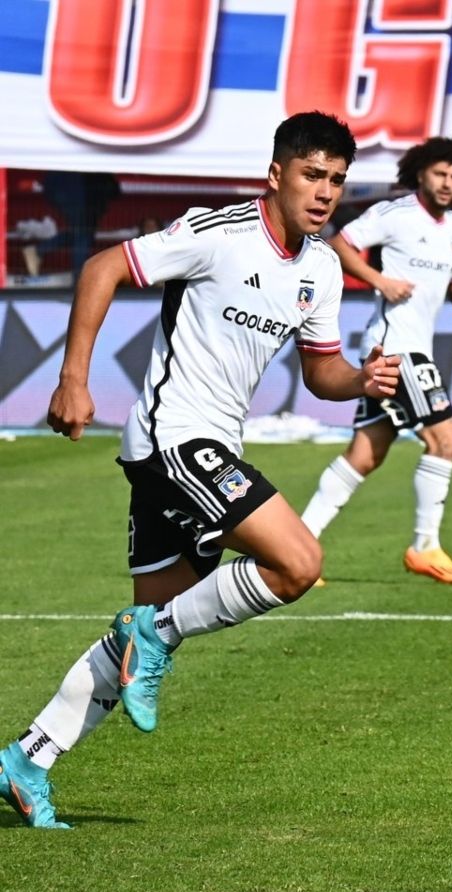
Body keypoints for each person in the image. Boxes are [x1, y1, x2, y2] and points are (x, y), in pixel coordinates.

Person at [1, 113, 399, 828]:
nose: (325, 193)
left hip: (205, 446)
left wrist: (363, 381)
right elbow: (104, 267)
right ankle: (154, 638)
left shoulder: (321, 268)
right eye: (312, 175)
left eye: (337, 181)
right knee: (298, 564)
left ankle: (29, 757)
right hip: (173, 439)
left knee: (143, 627)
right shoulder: (218, 233)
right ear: (276, 174)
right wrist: (74, 378)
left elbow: (321, 373)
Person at [298, 136, 452, 585]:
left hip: (414, 346)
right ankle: (425, 546)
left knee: (365, 455)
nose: (448, 183)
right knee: (446, 442)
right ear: (421, 173)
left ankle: (297, 546)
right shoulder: (396, 214)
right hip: (395, 349)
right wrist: (379, 280)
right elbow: (339, 243)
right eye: (440, 173)